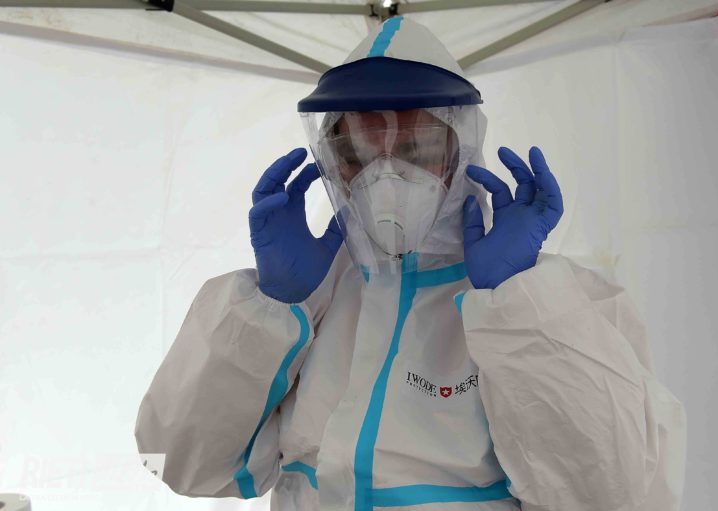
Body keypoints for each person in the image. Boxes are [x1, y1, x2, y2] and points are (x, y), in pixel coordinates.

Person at [135, 17, 686, 511]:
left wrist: (519, 304)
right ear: (333, 162)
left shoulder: (554, 308)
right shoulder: (311, 298)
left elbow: (613, 493)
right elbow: (177, 461)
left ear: (461, 151)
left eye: (417, 150)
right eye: (358, 153)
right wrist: (268, 312)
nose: (386, 175)